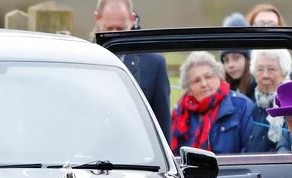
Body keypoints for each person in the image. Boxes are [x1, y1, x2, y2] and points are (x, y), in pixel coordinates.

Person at [93, 0, 171, 137]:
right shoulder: (85, 59)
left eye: (120, 29)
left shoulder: (153, 65)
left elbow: (162, 129)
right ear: (97, 19)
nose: (114, 35)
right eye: (109, 29)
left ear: (132, 20)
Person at [170, 51, 254, 154]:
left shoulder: (243, 106)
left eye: (208, 77)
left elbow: (250, 154)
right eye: (196, 80)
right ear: (189, 89)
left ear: (219, 77)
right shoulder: (180, 113)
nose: (204, 84)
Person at [247, 49, 292, 153]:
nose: (265, 75)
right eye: (260, 69)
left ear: (284, 72)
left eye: (271, 69)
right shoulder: (253, 106)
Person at [220, 13, 255, 101]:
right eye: (226, 60)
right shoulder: (221, 89)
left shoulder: (258, 90)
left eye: (236, 58)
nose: (230, 65)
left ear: (248, 59)